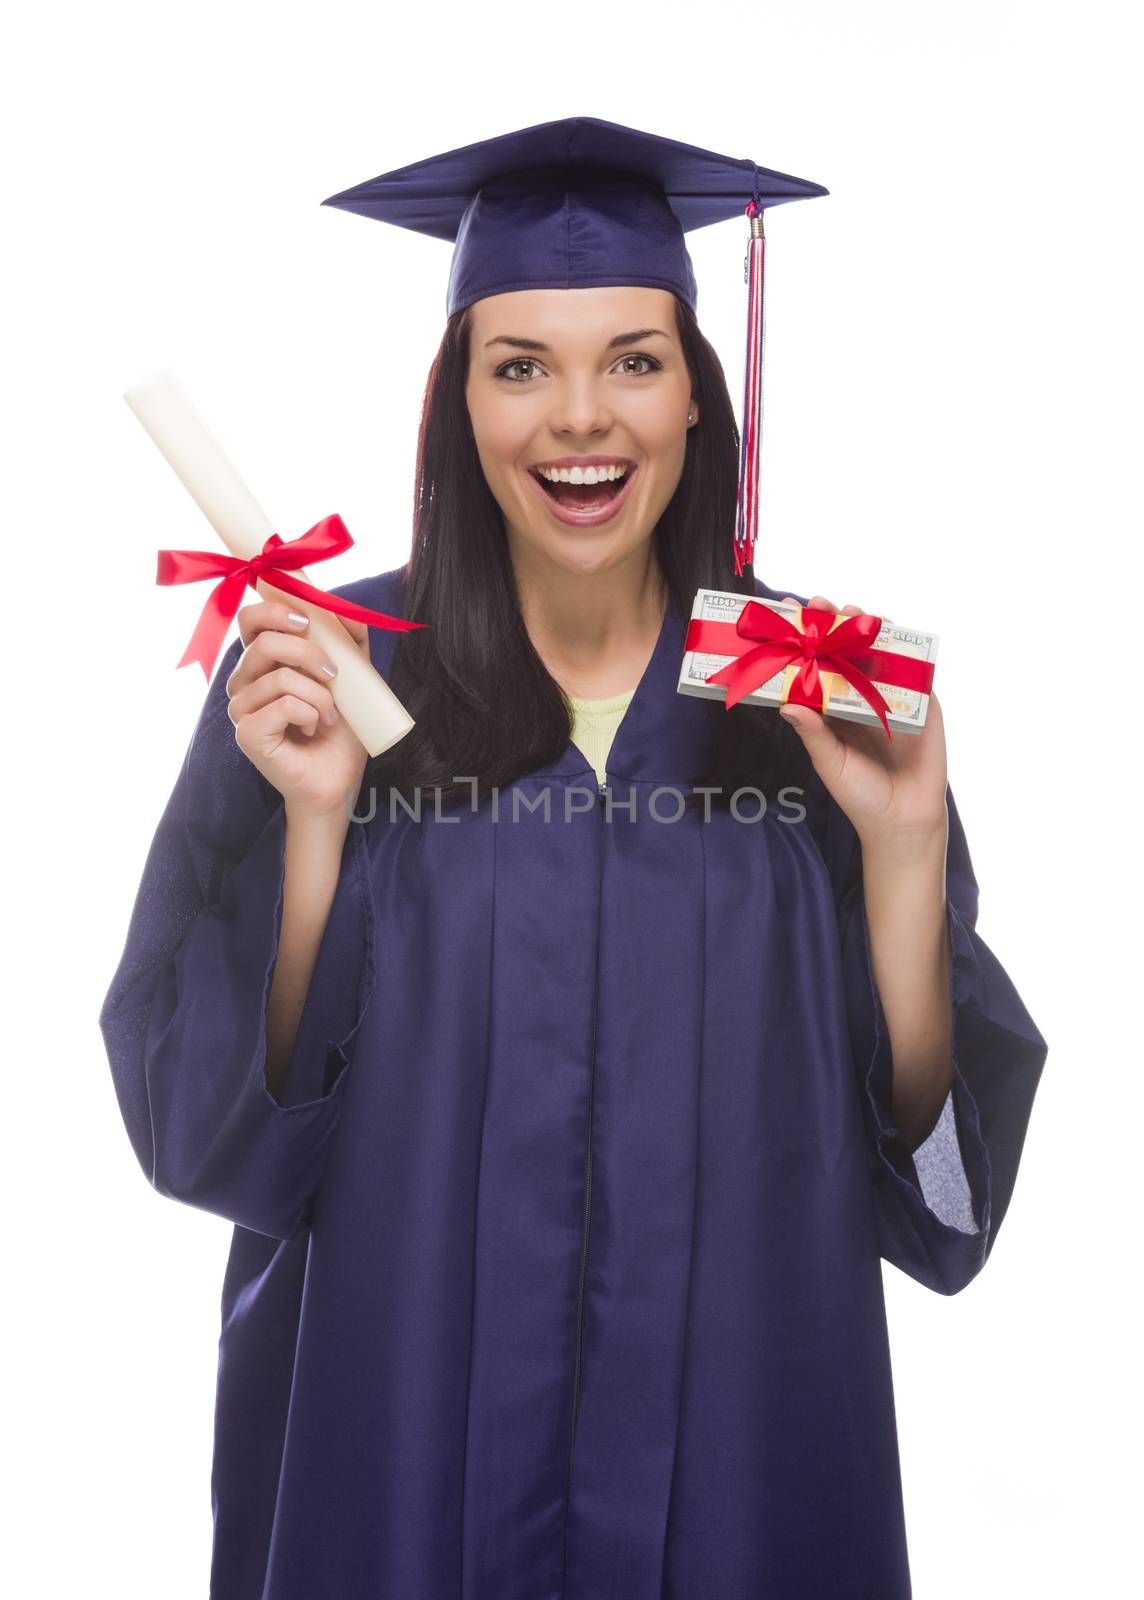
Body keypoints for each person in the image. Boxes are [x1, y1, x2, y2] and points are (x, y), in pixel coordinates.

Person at [100, 118, 1048, 1599]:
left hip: (744, 1479)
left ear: (697, 395)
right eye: (520, 364)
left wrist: (909, 856)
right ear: (457, 402)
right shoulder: (330, 673)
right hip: (395, 1465)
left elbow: (930, 1210)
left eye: (635, 359)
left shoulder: (807, 695)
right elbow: (220, 1145)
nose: (579, 419)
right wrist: (316, 825)